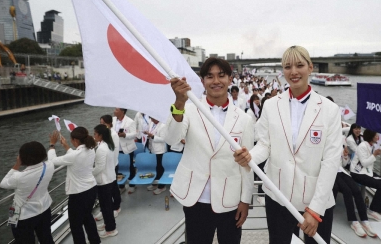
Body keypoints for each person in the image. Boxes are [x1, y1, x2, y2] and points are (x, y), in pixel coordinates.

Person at [234, 45, 342, 244]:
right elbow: (265, 145)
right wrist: (250, 157)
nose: (293, 72)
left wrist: (315, 210)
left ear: (310, 68)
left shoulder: (330, 110)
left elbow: (331, 161)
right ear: (282, 71)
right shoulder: (271, 105)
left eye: (299, 65)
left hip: (316, 200)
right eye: (287, 66)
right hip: (278, 196)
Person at [164, 57, 254, 244]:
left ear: (230, 79)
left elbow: (248, 165)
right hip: (195, 198)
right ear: (202, 81)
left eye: (221, 76)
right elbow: (172, 140)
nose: (216, 81)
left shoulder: (244, 119)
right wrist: (178, 103)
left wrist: (245, 200)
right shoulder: (188, 109)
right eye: (209, 76)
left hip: (229, 199)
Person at [48, 128, 100, 244]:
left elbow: (52, 160)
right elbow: (75, 156)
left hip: (78, 194)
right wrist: (67, 147)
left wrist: (52, 145)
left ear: (75, 140)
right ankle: (95, 241)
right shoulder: (90, 149)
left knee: (76, 224)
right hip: (91, 189)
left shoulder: (75, 155)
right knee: (87, 217)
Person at [0, 142, 55, 244]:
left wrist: (17, 164)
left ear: (23, 158)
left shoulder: (19, 177)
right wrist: (52, 146)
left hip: (21, 215)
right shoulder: (49, 165)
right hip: (44, 209)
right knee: (46, 238)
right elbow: (52, 157)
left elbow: (3, 184)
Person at [333, 146, 377, 238]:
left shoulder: (340, 144)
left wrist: (345, 157)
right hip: (331, 172)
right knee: (347, 191)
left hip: (341, 171)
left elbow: (344, 164)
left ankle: (364, 220)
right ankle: (354, 221)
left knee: (356, 190)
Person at [350, 129, 381, 222]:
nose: (378, 137)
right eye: (376, 135)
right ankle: (373, 210)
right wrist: (374, 155)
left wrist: (374, 153)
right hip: (358, 173)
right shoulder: (362, 146)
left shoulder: (371, 145)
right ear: (371, 137)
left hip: (367, 172)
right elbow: (364, 163)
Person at [92, 124, 118, 238]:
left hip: (104, 181)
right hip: (110, 177)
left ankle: (111, 229)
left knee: (106, 206)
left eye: (95, 134)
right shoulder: (109, 144)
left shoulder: (102, 149)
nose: (94, 136)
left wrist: (89, 174)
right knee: (107, 205)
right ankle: (108, 224)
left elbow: (99, 167)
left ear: (100, 135)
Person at [94, 115, 121, 221]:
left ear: (109, 123)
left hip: (111, 164)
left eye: (103, 123)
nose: (102, 125)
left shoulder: (113, 135)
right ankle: (104, 211)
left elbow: (115, 151)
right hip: (107, 166)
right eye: (100, 123)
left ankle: (116, 206)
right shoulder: (104, 136)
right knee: (109, 191)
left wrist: (112, 165)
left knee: (113, 188)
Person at [112, 108, 137, 193]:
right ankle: (121, 186)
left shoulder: (130, 121)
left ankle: (132, 184)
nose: (114, 111)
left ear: (122, 112)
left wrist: (125, 135)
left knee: (130, 166)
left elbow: (134, 134)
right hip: (116, 148)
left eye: (116, 110)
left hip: (127, 148)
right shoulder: (112, 120)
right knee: (118, 167)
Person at [144, 117, 167, 195]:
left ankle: (161, 186)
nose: (151, 120)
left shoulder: (163, 126)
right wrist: (147, 134)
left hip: (160, 150)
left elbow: (163, 139)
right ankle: (155, 184)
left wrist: (153, 136)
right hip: (152, 148)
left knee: (160, 168)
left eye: (153, 118)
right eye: (150, 118)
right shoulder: (151, 123)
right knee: (155, 167)